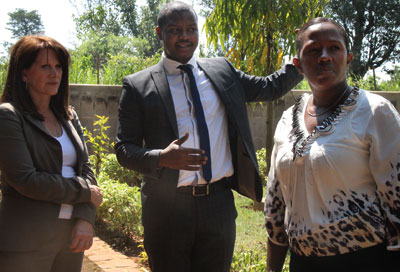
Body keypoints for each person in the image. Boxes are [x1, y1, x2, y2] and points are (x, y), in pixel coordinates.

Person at [115, 2, 303, 271]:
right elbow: (123, 149)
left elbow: (268, 88)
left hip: (218, 205)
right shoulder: (138, 85)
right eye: (175, 29)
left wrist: (300, 59)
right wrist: (161, 158)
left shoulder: (221, 71)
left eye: (191, 29)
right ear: (159, 33)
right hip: (166, 209)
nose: (184, 36)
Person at [264, 17, 400, 272]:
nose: (324, 56)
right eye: (313, 50)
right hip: (302, 262)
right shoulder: (286, 120)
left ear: (348, 57)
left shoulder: (374, 112)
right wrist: (273, 269)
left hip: (365, 261)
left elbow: (397, 200)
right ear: (298, 65)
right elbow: (275, 204)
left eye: (334, 48)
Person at [0, 35, 103, 272]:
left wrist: (85, 219)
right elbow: (25, 180)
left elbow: (86, 170)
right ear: (24, 73)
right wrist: (84, 192)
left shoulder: (68, 116)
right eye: (45, 66)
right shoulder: (8, 116)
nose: (54, 74)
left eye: (58, 67)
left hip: (70, 240)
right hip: (26, 241)